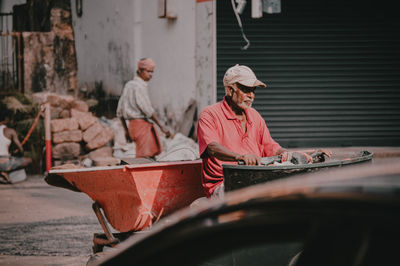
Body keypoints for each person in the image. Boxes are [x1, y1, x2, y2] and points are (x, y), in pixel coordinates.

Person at [197, 64, 319, 198]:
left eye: (253, 91)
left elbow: (270, 147)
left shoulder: (254, 115)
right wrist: (240, 157)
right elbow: (212, 148)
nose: (251, 96)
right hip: (224, 184)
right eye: (246, 90)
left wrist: (296, 154)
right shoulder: (209, 114)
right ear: (230, 90)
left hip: (255, 178)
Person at [116, 58, 172, 158]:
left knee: (145, 156)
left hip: (132, 127)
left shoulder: (128, 85)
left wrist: (126, 131)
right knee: (144, 158)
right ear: (140, 71)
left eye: (152, 72)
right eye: (148, 71)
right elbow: (148, 111)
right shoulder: (139, 87)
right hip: (141, 127)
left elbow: (120, 111)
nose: (150, 75)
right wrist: (162, 127)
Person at [0, 108, 32, 184]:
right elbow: (21, 149)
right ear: (6, 119)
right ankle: (5, 172)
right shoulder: (10, 131)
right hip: (4, 162)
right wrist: (17, 152)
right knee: (29, 160)